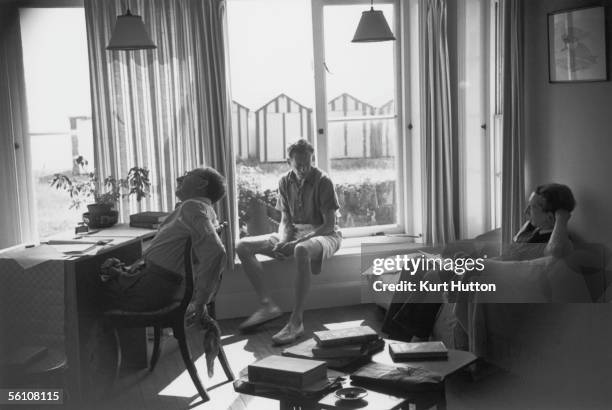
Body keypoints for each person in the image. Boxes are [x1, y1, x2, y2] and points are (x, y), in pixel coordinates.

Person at [383, 183, 576, 341]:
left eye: (532, 207)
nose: (526, 211)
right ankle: (394, 334)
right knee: (413, 265)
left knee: (432, 276)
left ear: (551, 216)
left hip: (488, 275)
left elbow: (555, 252)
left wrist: (561, 218)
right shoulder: (533, 230)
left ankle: (403, 339)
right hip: (484, 265)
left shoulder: (556, 241)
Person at [100, 167, 227, 367]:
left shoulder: (192, 207)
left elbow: (216, 252)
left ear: (202, 184)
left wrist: (201, 300)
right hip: (164, 289)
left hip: (155, 290)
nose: (179, 177)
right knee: (104, 277)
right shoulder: (202, 210)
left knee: (88, 296)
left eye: (187, 175)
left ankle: (99, 374)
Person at [236, 139, 342, 345]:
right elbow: (285, 220)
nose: (303, 168)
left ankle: (296, 321)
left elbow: (329, 225)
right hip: (293, 233)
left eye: (308, 163)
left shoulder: (323, 181)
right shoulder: (285, 181)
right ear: (289, 162)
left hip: (324, 235)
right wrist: (284, 240)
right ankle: (267, 306)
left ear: (312, 159)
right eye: (298, 164)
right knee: (243, 246)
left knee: (301, 249)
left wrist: (295, 243)